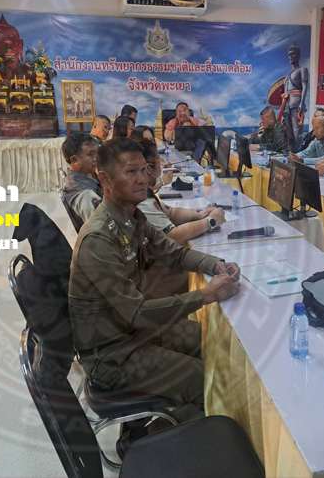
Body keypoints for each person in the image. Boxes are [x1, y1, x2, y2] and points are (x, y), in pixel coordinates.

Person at [69, 138, 241, 454]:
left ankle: (161, 427)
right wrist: (205, 295)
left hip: (134, 333)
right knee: (207, 380)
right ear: (105, 179)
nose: (143, 179)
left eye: (144, 170)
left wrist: (214, 264)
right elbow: (138, 312)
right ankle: (160, 448)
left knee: (212, 340)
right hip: (112, 354)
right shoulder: (98, 239)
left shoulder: (132, 218)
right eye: (131, 171)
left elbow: (174, 253)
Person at [136, 138, 226, 244]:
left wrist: (198, 214)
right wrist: (210, 221)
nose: (161, 165)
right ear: (147, 169)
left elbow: (171, 213)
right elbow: (173, 236)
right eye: (158, 161)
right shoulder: (142, 202)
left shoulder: (145, 193)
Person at [61, 133, 102, 227]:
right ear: (75, 160)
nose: (95, 158)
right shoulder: (86, 196)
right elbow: (100, 229)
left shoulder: (85, 174)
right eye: (90, 154)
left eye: (95, 152)